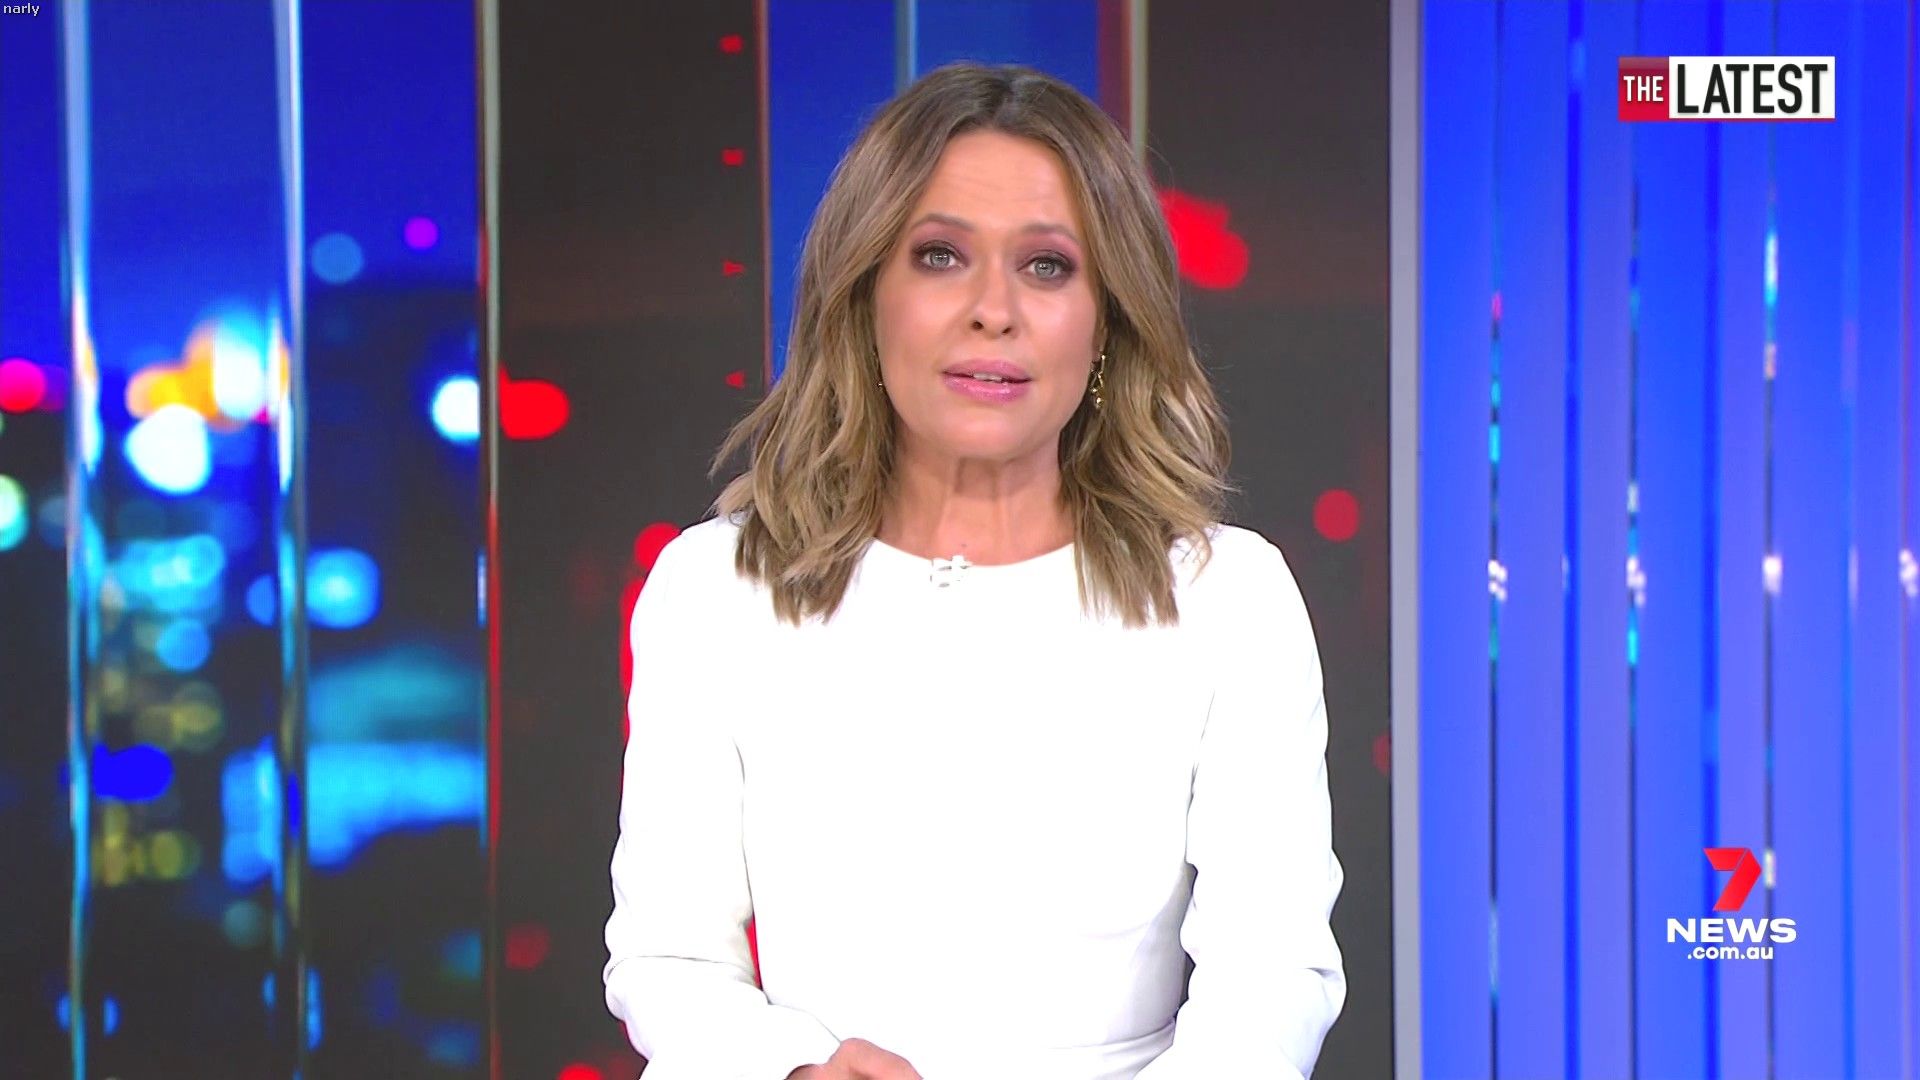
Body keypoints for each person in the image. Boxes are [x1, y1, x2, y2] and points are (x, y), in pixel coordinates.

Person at [603, 61, 1344, 1080]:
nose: (994, 309)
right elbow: (669, 960)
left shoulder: (1229, 599)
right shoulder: (717, 589)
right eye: (940, 256)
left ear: (1107, 318)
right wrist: (794, 1068)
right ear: (866, 296)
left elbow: (1272, 971)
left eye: (1046, 266)